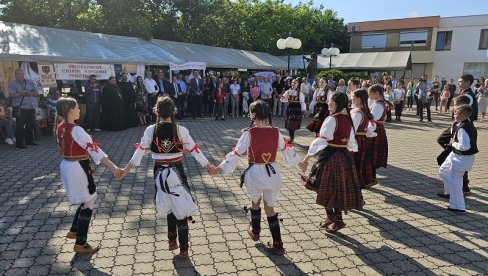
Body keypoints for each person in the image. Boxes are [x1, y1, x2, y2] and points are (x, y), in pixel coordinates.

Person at [121, 96, 213, 259]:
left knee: (169, 204)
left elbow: (139, 152)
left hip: (159, 173)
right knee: (181, 208)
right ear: (173, 111)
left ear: (156, 111)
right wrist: (208, 166)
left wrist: (126, 169)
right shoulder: (181, 130)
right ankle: (184, 249)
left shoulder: (150, 130)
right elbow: (194, 150)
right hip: (177, 171)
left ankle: (172, 240)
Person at [209, 100, 301, 255]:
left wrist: (220, 168)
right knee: (270, 208)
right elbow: (286, 150)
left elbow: (237, 153)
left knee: (255, 202)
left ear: (253, 114)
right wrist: (300, 163)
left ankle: (256, 230)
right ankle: (278, 244)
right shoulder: (276, 131)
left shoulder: (249, 133)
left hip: (255, 173)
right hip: (273, 174)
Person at [56, 97, 122, 253]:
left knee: (86, 197)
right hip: (78, 167)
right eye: (77, 107)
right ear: (71, 110)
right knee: (90, 199)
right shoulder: (76, 129)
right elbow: (95, 150)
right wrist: (113, 167)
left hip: (67, 165)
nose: (79, 109)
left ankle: (74, 229)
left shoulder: (60, 126)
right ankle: (80, 242)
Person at [298, 92, 363, 232]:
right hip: (344, 157)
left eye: (330, 101)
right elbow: (351, 142)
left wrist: (306, 158)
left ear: (336, 103)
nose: (328, 103)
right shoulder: (348, 119)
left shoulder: (332, 119)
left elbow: (321, 140)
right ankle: (338, 220)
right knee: (337, 190)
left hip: (330, 157)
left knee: (323, 187)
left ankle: (330, 216)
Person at [438, 104, 478, 212]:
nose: (454, 115)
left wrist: (454, 143)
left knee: (455, 181)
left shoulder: (463, 128)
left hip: (462, 158)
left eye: (456, 113)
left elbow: (465, 146)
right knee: (446, 174)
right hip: (458, 156)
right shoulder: (464, 124)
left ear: (463, 115)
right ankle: (453, 199)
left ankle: (459, 206)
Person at [351, 89, 377, 188]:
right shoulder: (364, 111)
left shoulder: (358, 113)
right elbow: (372, 127)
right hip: (363, 140)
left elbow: (352, 130)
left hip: (356, 141)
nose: (351, 98)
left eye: (353, 97)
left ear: (358, 99)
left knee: (355, 165)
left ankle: (356, 187)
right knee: (359, 164)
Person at [8, 68, 40, 149]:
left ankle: (29, 141)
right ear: (15, 75)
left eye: (22, 74)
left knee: (30, 125)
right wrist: (21, 94)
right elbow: (11, 95)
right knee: (20, 126)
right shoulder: (12, 83)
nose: (21, 75)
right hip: (20, 107)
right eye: (18, 74)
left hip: (31, 106)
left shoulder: (30, 81)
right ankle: (19, 144)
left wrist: (31, 93)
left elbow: (37, 93)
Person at [368, 84, 389, 186]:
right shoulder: (378, 103)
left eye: (370, 94)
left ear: (376, 93)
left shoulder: (378, 105)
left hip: (375, 130)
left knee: (371, 155)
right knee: (371, 155)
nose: (369, 96)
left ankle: (371, 178)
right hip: (376, 129)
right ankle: (370, 177)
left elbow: (373, 118)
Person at [281, 78, 307, 143]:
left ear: (297, 84)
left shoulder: (300, 93)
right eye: (292, 82)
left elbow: (302, 102)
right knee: (289, 123)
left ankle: (291, 136)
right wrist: (282, 97)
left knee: (293, 124)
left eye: (295, 83)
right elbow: (284, 99)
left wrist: (304, 110)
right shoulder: (288, 91)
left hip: (296, 109)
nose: (293, 84)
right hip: (290, 108)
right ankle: (291, 137)